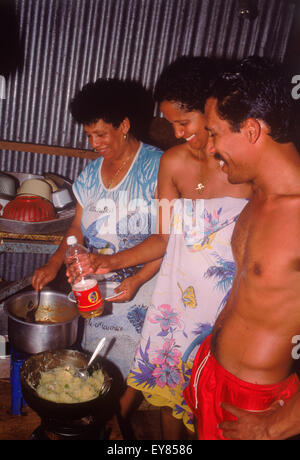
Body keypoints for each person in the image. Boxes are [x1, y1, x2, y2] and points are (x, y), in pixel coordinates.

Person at [88, 57, 251, 439]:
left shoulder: (243, 169)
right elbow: (162, 238)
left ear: (212, 111)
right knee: (168, 397)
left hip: (227, 308)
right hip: (176, 304)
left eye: (185, 122)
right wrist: (107, 261)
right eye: (171, 123)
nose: (178, 133)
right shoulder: (174, 164)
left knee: (216, 409)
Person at [31, 78, 163, 419]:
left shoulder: (158, 168)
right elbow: (76, 230)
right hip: (96, 290)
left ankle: (109, 426)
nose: (94, 143)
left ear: (124, 125)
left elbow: (169, 239)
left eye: (101, 134)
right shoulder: (90, 175)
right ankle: (101, 420)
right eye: (89, 135)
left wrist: (137, 279)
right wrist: (53, 264)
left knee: (134, 367)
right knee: (97, 367)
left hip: (145, 289)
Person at [183, 56, 300, 440]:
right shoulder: (257, 195)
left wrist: (273, 428)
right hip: (213, 373)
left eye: (215, 134)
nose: (211, 148)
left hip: (256, 404)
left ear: (250, 130)